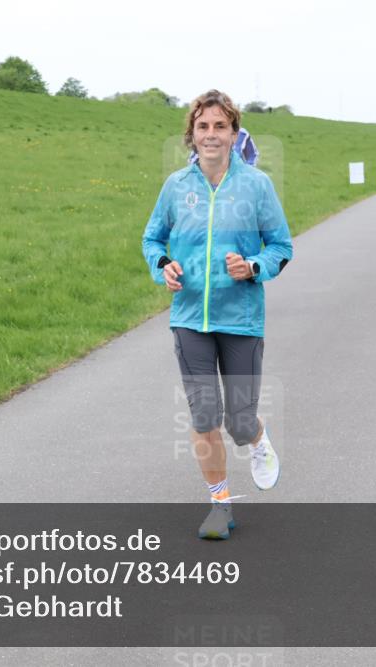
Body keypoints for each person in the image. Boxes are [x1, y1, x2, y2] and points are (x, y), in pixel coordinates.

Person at [142, 90, 293, 540]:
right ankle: (219, 505)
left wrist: (253, 268)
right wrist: (161, 267)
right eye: (203, 127)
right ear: (192, 134)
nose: (211, 135)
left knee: (238, 421)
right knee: (204, 416)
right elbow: (152, 240)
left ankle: (258, 438)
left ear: (233, 134)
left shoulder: (256, 186)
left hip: (241, 319)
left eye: (220, 127)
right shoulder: (176, 187)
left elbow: (281, 246)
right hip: (190, 318)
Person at [189, 127, 259, 166]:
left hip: (236, 179)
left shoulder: (242, 134)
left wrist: (248, 170)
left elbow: (252, 155)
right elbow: (193, 158)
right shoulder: (208, 134)